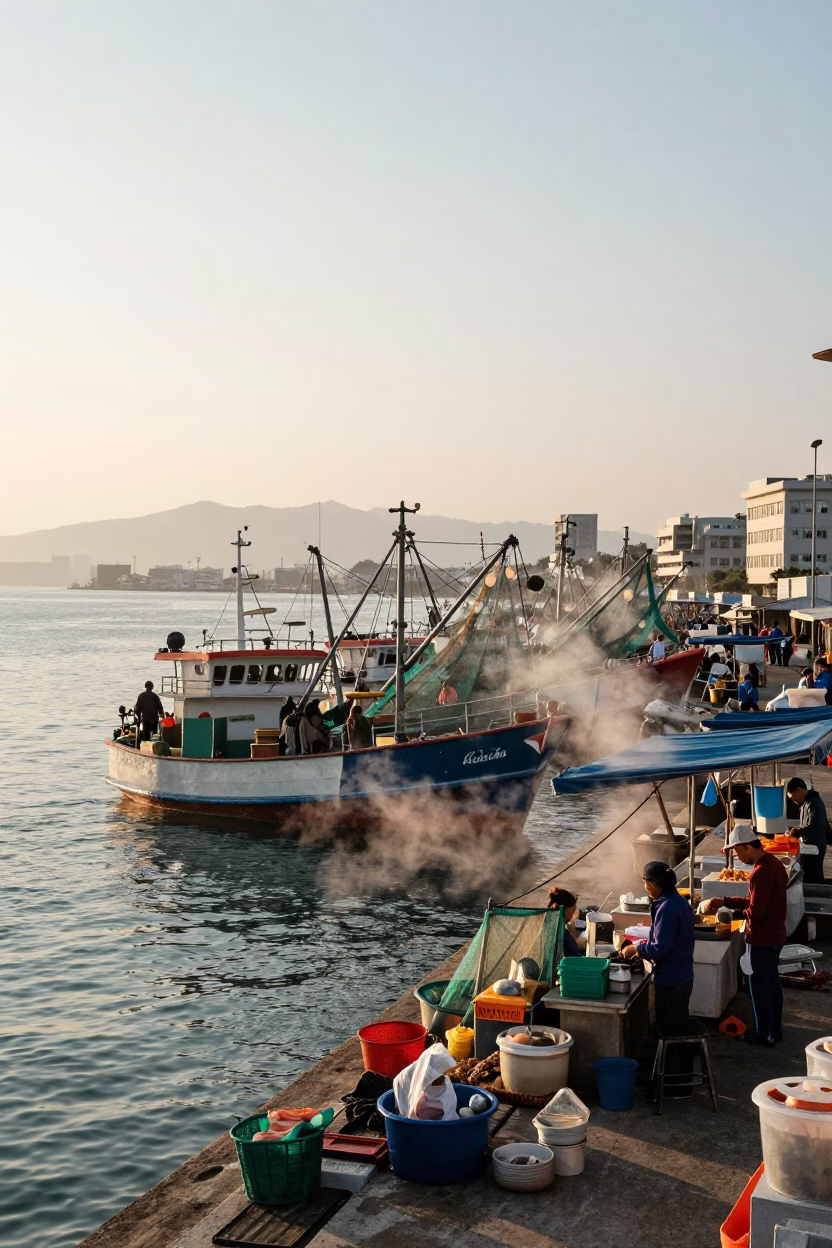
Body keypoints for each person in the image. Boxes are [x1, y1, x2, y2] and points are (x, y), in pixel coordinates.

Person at [703, 825, 787, 1046]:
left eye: (737, 851)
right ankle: (774, 1031)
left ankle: (764, 1034)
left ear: (747, 846)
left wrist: (729, 913)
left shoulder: (762, 871)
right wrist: (725, 900)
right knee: (771, 984)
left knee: (760, 986)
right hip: (774, 935)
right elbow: (755, 902)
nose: (737, 857)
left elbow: (757, 912)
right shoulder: (771, 864)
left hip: (764, 937)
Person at [622, 861, 695, 1093]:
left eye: (645, 882)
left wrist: (636, 949)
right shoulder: (676, 902)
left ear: (652, 884)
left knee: (670, 1031)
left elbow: (659, 948)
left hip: (672, 980)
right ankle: (675, 1077)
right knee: (673, 1027)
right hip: (681, 976)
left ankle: (674, 1083)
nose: (645, 886)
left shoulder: (668, 907)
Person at [786, 776, 831, 885]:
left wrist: (798, 832)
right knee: (813, 876)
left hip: (814, 847)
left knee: (813, 878)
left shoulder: (813, 803)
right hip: (810, 846)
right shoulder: (806, 802)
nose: (793, 800)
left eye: (793, 796)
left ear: (799, 790)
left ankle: (819, 897)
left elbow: (816, 826)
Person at [548, 887, 581, 957]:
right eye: (573, 912)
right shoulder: (561, 935)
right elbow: (572, 954)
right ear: (566, 911)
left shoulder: (550, 925)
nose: (573, 914)